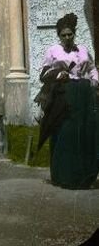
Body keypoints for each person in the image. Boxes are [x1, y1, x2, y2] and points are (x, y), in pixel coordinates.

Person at [35, 12, 99, 189]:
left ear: (74, 33)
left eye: (70, 34)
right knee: (66, 133)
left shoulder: (84, 50)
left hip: (84, 95)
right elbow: (43, 74)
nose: (67, 38)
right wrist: (58, 73)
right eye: (63, 35)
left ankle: (85, 176)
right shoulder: (53, 51)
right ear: (59, 36)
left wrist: (95, 80)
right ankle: (64, 176)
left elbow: (92, 68)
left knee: (85, 134)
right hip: (64, 96)